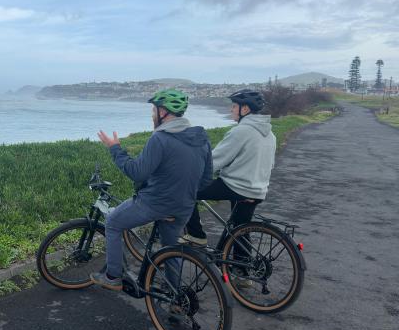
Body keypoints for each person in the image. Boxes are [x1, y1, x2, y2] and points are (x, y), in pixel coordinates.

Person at [91, 89, 213, 290]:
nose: (152, 115)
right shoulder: (201, 138)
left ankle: (112, 277)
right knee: (170, 249)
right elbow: (206, 178)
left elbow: (137, 172)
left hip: (155, 204)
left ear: (163, 111)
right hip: (184, 207)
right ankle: (176, 296)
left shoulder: (160, 139)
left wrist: (115, 148)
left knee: (112, 222)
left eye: (154, 110)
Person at [179, 89, 276, 247]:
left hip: (236, 187)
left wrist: (190, 169)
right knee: (239, 231)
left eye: (234, 106)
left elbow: (214, 161)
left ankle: (196, 235)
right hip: (258, 189)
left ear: (245, 109)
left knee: (186, 191)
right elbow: (270, 164)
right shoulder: (270, 134)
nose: (231, 109)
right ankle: (241, 266)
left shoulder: (241, 131)